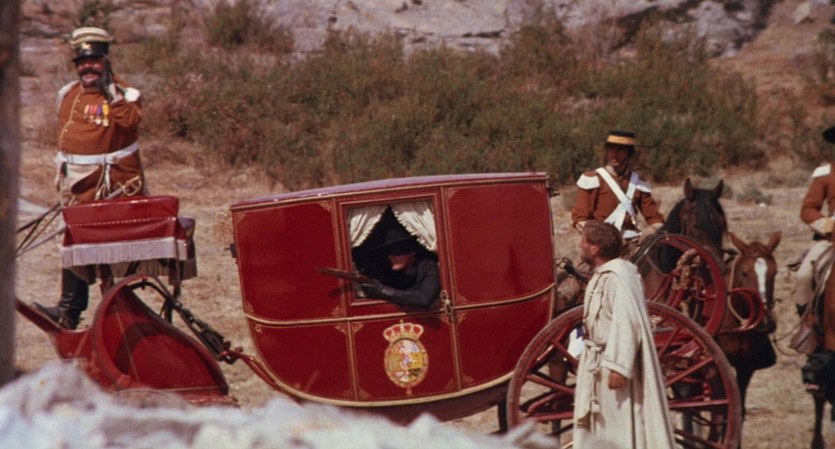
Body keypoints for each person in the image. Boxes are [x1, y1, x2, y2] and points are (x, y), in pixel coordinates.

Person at [33, 26, 146, 330]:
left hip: (109, 184)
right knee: (71, 241)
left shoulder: (124, 94)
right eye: (83, 62)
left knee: (106, 249)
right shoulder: (69, 93)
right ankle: (68, 312)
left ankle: (121, 315)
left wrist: (113, 94)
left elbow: (131, 122)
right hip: (75, 183)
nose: (88, 68)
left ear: (106, 61)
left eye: (94, 61)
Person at [573, 220, 675, 449]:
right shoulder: (605, 274)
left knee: (618, 425)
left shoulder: (619, 276)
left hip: (612, 363)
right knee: (605, 425)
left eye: (584, 241)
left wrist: (619, 365)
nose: (580, 245)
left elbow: (626, 320)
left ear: (595, 248)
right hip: (600, 361)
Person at [571, 130, 664, 241]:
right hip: (599, 242)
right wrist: (600, 238)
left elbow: (655, 219)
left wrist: (650, 231)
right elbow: (580, 219)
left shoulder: (639, 183)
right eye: (611, 148)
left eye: (620, 149)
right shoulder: (594, 179)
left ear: (629, 153)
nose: (615, 154)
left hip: (631, 240)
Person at [793, 125, 835, 317]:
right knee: (804, 276)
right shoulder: (825, 173)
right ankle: (808, 323)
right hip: (832, 236)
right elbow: (808, 209)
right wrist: (829, 227)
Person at [360, 227, 441, 309]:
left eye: (396, 252)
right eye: (388, 253)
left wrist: (381, 290)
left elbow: (424, 299)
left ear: (411, 253)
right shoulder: (388, 272)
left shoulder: (428, 267)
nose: (390, 257)